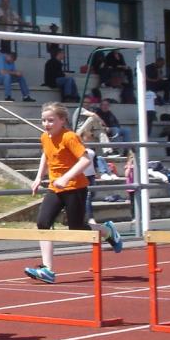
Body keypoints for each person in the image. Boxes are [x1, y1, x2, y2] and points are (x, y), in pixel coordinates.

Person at [24, 102, 98, 284]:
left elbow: (85, 161)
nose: (46, 124)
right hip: (55, 187)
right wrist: (38, 177)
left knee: (77, 229)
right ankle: (47, 269)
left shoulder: (69, 137)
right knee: (43, 223)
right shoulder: (45, 137)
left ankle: (107, 230)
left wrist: (65, 178)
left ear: (62, 120)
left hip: (75, 187)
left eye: (51, 120)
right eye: (44, 120)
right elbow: (46, 154)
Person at [75, 110, 124, 252]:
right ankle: (99, 228)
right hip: (77, 178)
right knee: (76, 218)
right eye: (88, 137)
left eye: (90, 137)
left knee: (87, 200)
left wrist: (98, 173)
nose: (89, 139)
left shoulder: (90, 151)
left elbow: (94, 162)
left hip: (88, 178)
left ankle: (93, 221)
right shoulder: (75, 144)